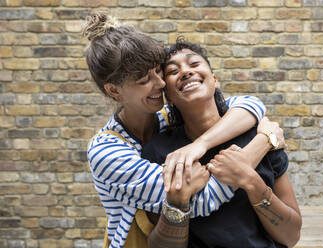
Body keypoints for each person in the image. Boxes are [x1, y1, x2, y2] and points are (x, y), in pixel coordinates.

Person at [83, 13, 285, 248]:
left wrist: (200, 144)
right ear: (114, 91)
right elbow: (200, 202)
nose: (160, 84)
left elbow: (250, 104)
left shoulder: (167, 116)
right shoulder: (107, 152)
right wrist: (263, 142)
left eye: (158, 71)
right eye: (143, 80)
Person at [141, 39, 302, 248]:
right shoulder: (159, 152)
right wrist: (177, 203)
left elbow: (291, 236)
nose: (186, 72)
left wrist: (251, 181)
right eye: (173, 71)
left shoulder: (259, 135)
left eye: (194, 64)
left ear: (214, 79)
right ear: (168, 96)